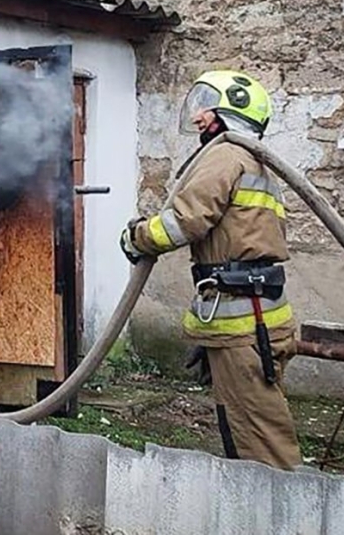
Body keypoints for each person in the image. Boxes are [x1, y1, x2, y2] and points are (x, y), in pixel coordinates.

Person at [119, 70, 301, 470]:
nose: (198, 116)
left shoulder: (224, 155)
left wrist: (135, 238)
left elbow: (183, 222)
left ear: (231, 111)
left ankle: (278, 518)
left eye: (207, 107)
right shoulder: (255, 162)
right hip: (261, 318)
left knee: (260, 443)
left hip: (245, 324)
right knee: (257, 424)